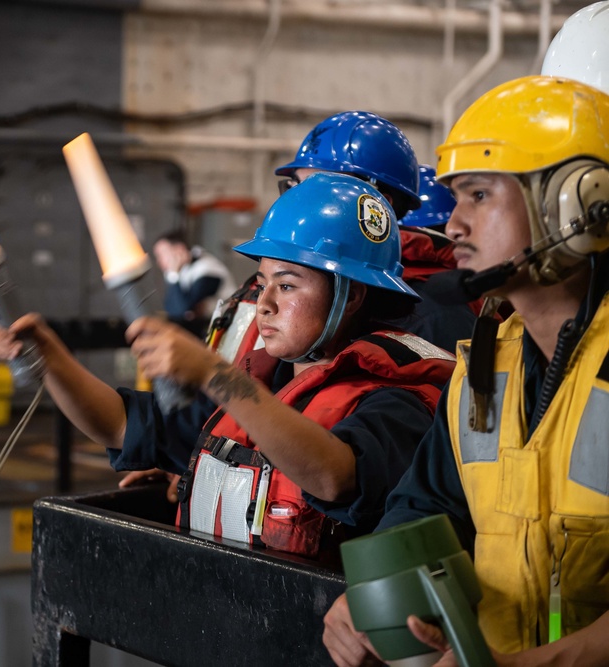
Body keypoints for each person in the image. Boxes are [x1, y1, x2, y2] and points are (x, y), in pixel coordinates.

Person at [0, 173, 455, 561]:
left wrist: (213, 374)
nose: (263, 304)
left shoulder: (400, 398)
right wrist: (49, 358)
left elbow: (335, 475)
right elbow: (120, 424)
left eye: (288, 286)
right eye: (262, 281)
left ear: (352, 295)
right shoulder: (259, 386)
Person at [322, 75, 609, 664]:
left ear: (578, 203)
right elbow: (429, 506)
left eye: (479, 196)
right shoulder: (486, 364)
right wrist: (374, 595)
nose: (452, 225)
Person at [274, 111, 478, 353]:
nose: (296, 205)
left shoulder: (431, 314)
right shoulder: (292, 287)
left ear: (378, 208)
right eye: (295, 188)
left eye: (321, 192)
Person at [152, 229, 236, 333]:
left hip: (224, 327)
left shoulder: (208, 269)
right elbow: (170, 309)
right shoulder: (181, 269)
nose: (159, 261)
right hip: (205, 327)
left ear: (179, 250)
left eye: (162, 254)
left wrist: (174, 275)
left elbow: (181, 310)